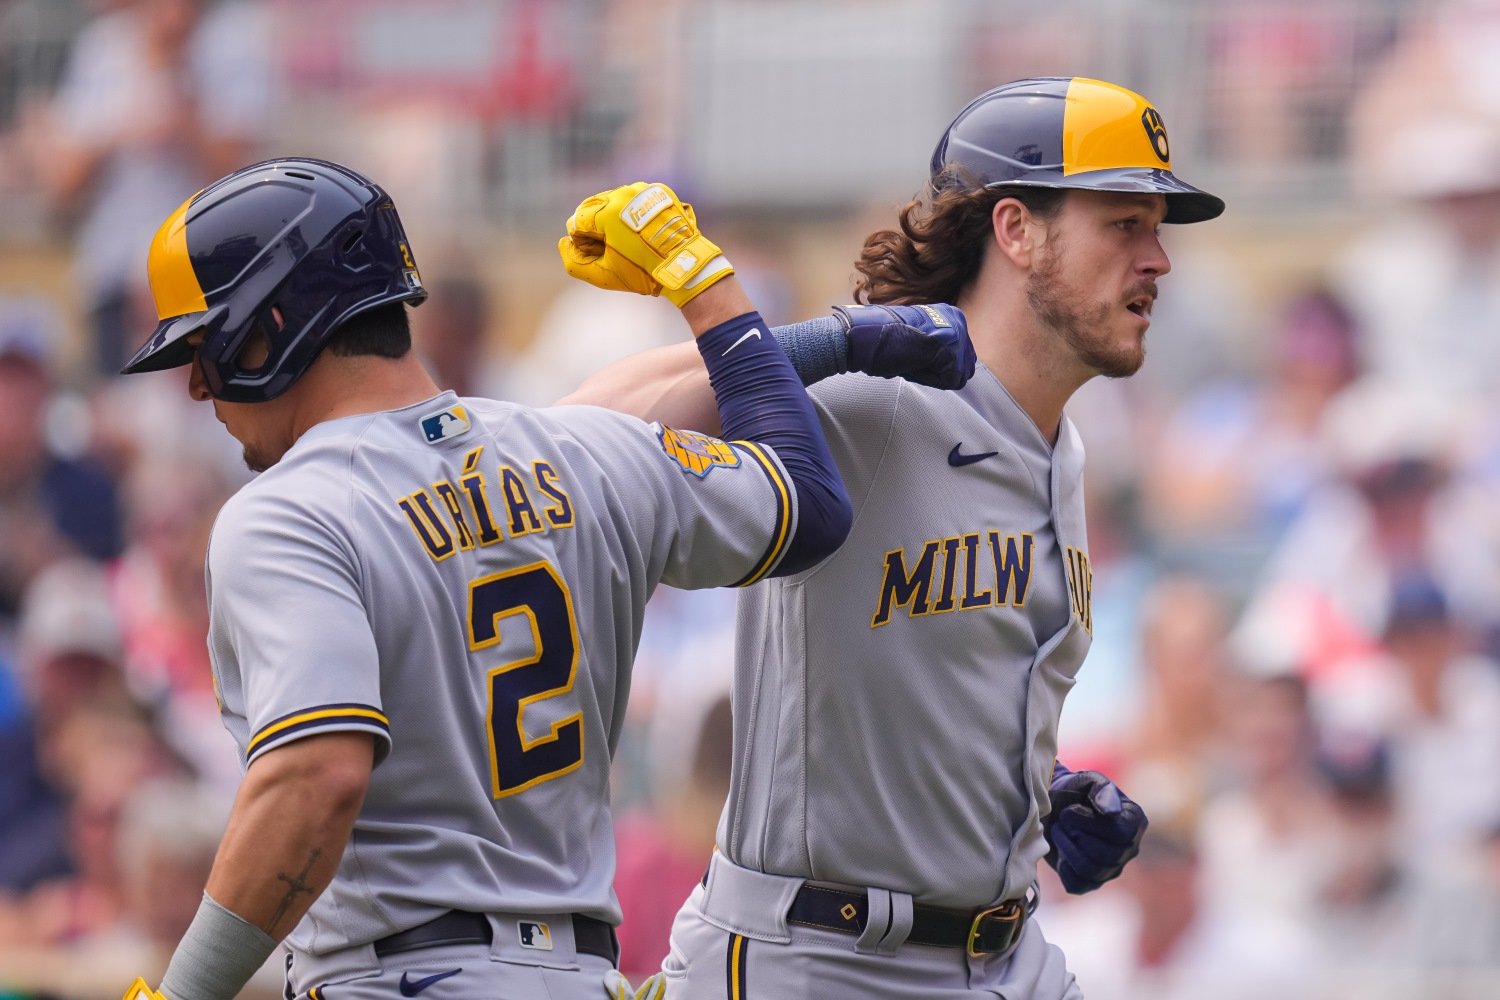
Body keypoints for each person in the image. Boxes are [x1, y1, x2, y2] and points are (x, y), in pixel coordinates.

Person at [108, 158, 884, 1000]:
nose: (195, 384)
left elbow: (317, 778)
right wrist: (713, 289)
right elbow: (809, 502)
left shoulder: (287, 511)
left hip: (400, 975)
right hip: (585, 975)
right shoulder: (579, 449)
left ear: (273, 329)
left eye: (205, 345)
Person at [565, 76, 1224, 997]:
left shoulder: (1064, 449)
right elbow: (562, 442)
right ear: (1016, 230)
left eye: (1157, 227)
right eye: (1125, 223)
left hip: (1007, 957)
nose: (1158, 258)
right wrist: (819, 345)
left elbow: (932, 660)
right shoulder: (877, 401)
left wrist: (1034, 791)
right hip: (819, 954)